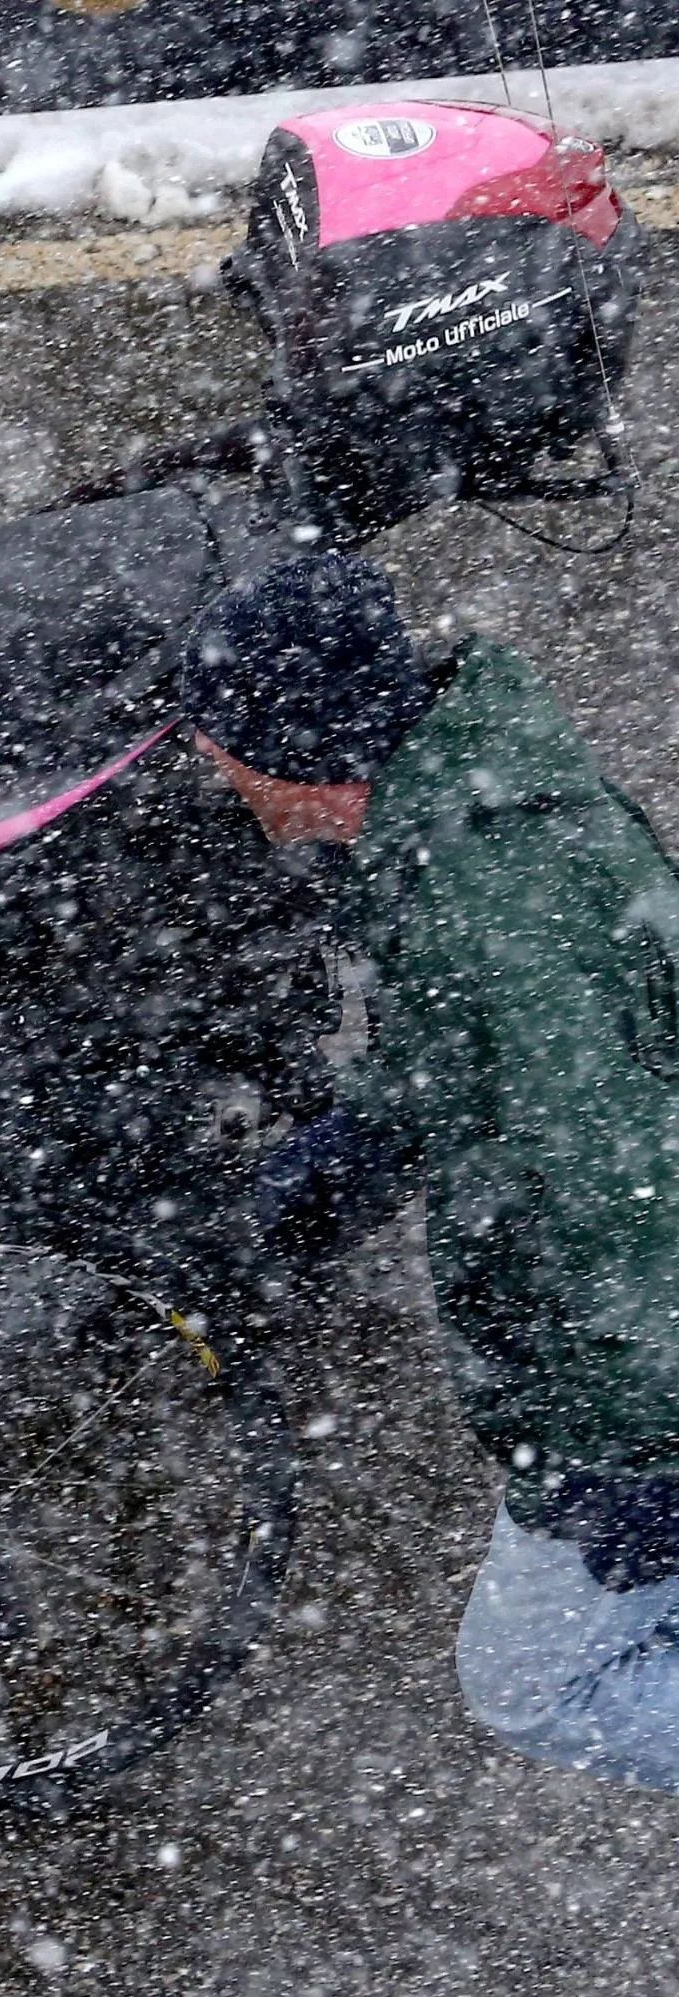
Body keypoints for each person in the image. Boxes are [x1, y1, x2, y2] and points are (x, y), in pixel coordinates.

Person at [192, 556, 679, 1791]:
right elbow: (486, 1045)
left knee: (534, 1686)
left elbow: (619, 1193)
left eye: (223, 737)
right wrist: (354, 1150)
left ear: (300, 750)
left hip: (630, 1402)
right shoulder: (462, 818)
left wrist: (633, 1462)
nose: (210, 763)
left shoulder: (486, 898)